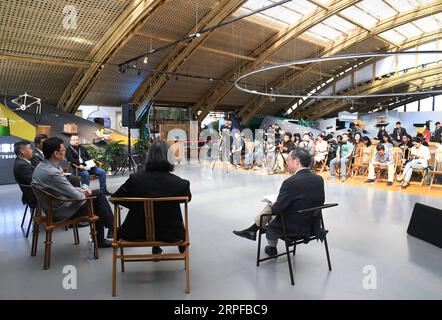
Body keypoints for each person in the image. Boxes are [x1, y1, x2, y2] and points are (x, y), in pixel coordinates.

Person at [233, 148, 325, 257]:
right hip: (312, 224)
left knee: (271, 210)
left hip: (294, 227)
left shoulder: (290, 182)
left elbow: (277, 210)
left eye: (288, 160)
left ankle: (264, 240)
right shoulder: (319, 179)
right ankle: (253, 231)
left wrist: (277, 203)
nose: (287, 162)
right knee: (274, 206)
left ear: (297, 161)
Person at [32, 137, 114, 247]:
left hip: (52, 207)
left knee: (97, 197)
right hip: (60, 211)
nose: (64, 151)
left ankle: (110, 230)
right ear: (56, 153)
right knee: (97, 199)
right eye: (63, 149)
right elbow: (77, 196)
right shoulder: (53, 173)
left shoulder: (41, 166)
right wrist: (84, 191)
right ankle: (110, 230)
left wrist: (82, 189)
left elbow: (69, 190)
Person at [112, 140, 191, 254]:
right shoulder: (180, 184)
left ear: (148, 157)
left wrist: (138, 203)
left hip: (136, 231)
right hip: (171, 233)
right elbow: (187, 198)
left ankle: (155, 246)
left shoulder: (135, 180)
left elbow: (115, 198)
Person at [13, 140, 37, 207]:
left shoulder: (23, 162)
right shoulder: (22, 165)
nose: (32, 150)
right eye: (29, 148)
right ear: (22, 151)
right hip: (35, 197)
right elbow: (36, 181)